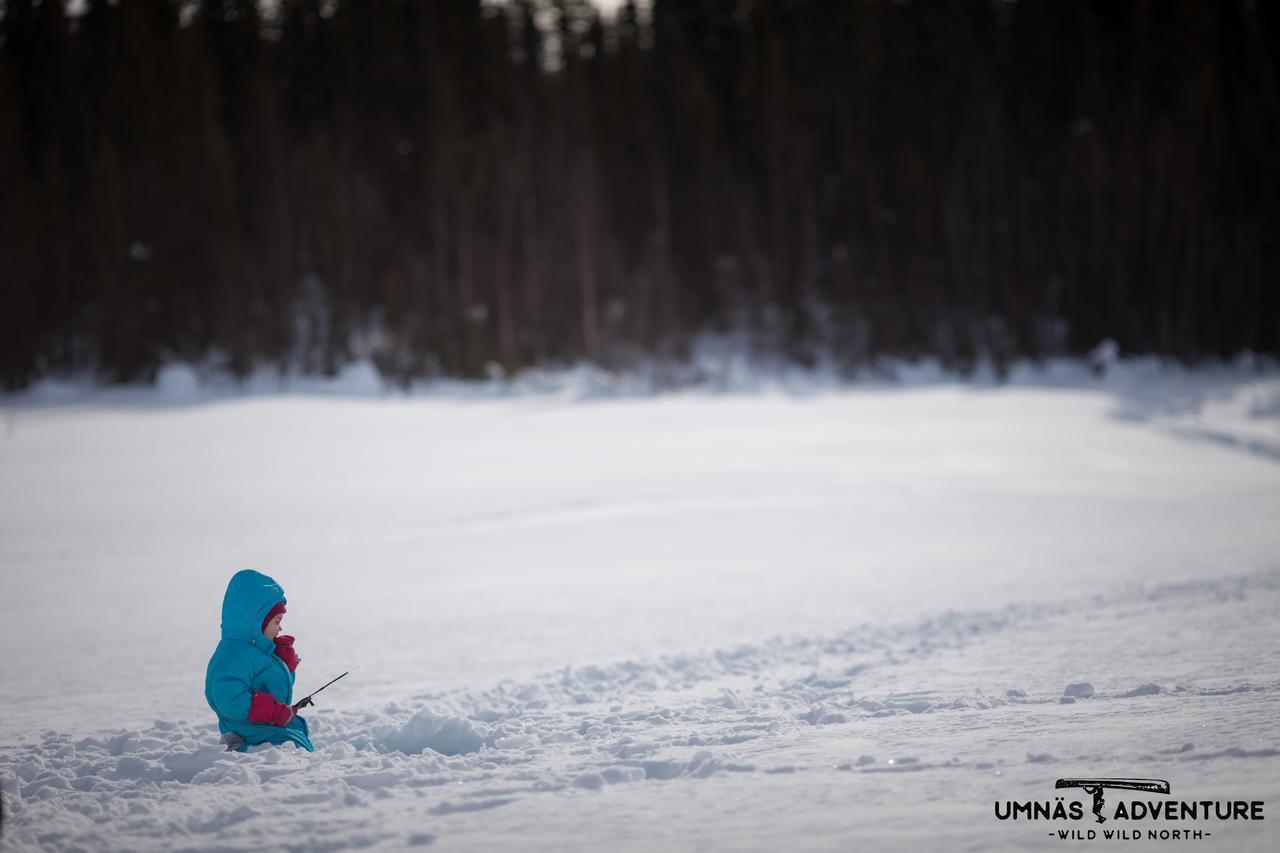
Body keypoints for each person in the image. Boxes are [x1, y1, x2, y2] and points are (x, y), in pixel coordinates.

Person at [205, 569, 314, 752]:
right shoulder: (233, 654)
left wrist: (285, 666)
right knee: (293, 746)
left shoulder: (258, 652)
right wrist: (272, 711)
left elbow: (272, 690)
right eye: (277, 621)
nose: (280, 628)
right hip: (248, 735)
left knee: (296, 738)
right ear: (257, 621)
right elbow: (228, 697)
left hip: (263, 728)